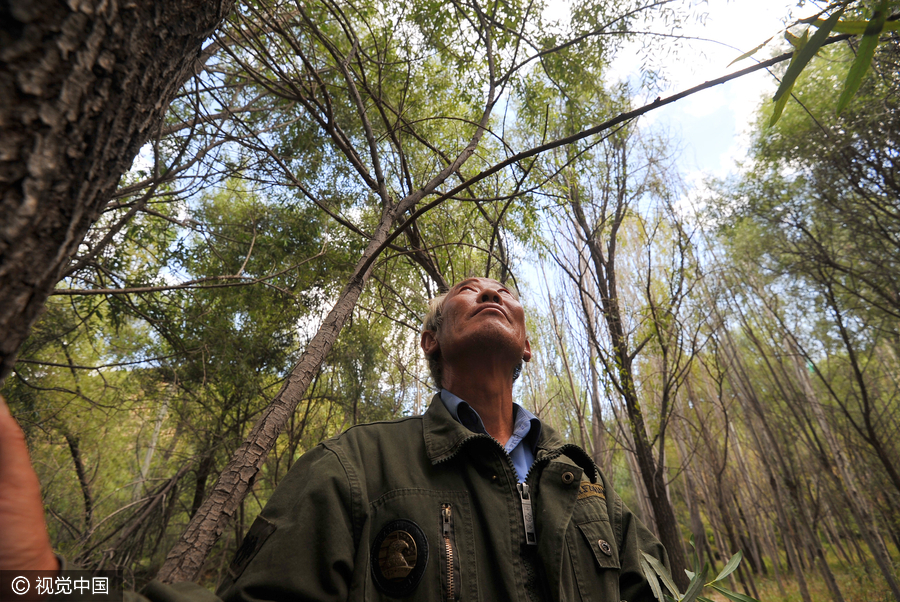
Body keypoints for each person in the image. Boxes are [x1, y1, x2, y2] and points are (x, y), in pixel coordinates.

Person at [0, 277, 669, 601]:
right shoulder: (356, 465)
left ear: (525, 346)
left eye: (503, 291)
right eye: (467, 292)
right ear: (431, 341)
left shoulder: (588, 488)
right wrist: (37, 587)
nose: (490, 290)